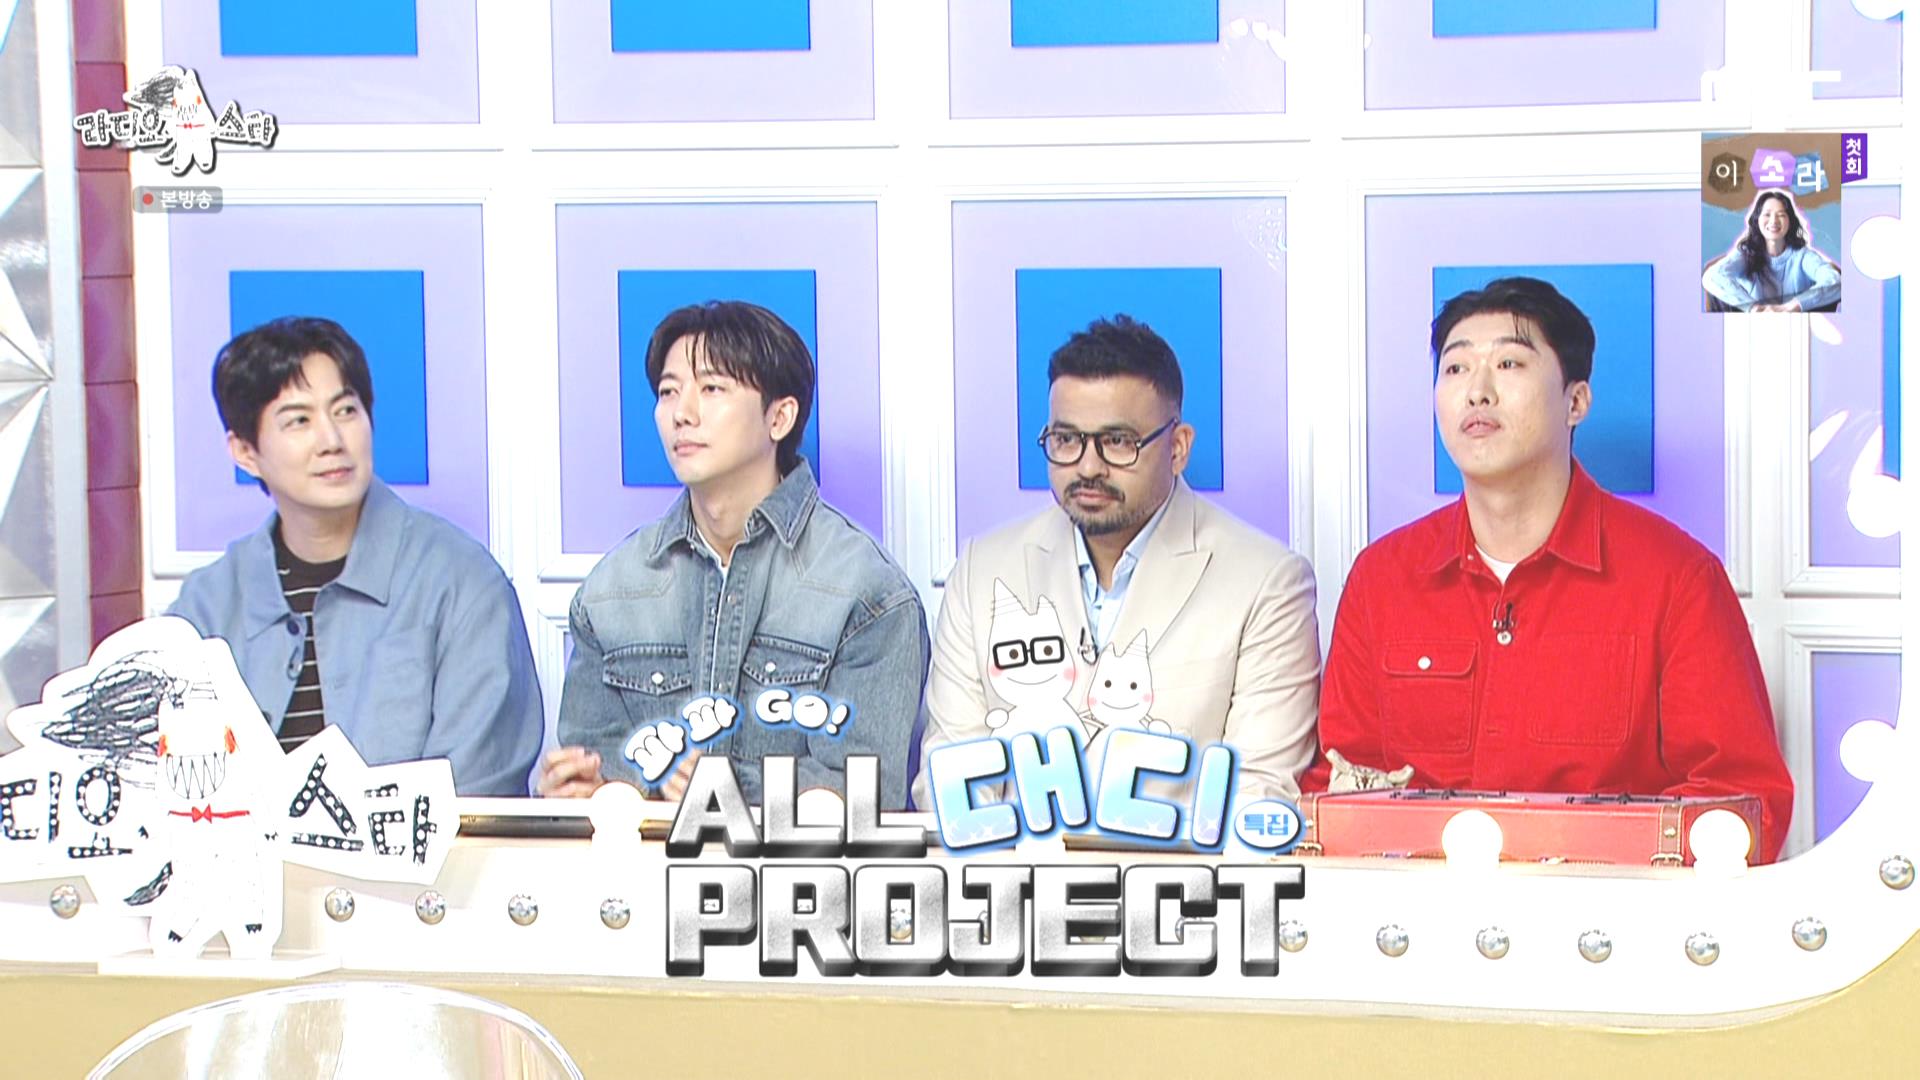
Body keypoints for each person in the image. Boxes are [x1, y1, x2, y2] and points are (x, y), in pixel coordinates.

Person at [1305, 277, 1794, 862]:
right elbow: (1339, 788)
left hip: (1611, 913)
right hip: (1415, 912)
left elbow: (1743, 803)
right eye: (1456, 368)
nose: (1477, 392)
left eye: (1509, 364)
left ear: (1576, 401)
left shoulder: (1676, 578)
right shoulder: (1383, 579)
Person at [912, 315, 1320, 809]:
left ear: (1178, 447)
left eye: (1118, 442)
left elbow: (1258, 795)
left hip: (1179, 860)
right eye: (1067, 440)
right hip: (1012, 859)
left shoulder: (1266, 582)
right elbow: (949, 784)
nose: (1088, 467)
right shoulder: (981, 573)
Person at [543, 301, 929, 807]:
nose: (682, 413)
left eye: (712, 389)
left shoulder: (867, 592)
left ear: (779, 417)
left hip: (793, 861)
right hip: (644, 859)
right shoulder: (613, 589)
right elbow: (598, 770)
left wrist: (721, 790)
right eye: (668, 391)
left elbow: (866, 792)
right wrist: (578, 790)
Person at [170, 317, 544, 795]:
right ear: (245, 451)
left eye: (346, 411)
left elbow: (476, 796)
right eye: (299, 421)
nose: (332, 441)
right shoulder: (205, 607)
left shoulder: (464, 585)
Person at [1702, 189, 1841, 313]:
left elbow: (1834, 280)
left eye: (1781, 215)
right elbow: (1713, 277)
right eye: (1767, 214)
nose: (1773, 221)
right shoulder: (1746, 254)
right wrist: (1754, 308)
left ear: (1790, 221)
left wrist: (1791, 307)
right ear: (1757, 220)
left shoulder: (1802, 255)